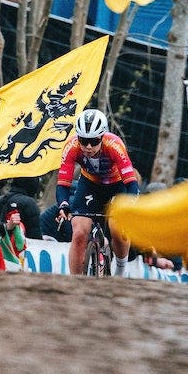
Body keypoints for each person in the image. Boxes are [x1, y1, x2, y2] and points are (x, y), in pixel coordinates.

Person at [56, 108, 139, 276]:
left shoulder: (114, 145)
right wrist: (63, 204)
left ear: (102, 137)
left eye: (94, 141)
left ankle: (120, 271)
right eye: (84, 140)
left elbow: (131, 182)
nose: (88, 146)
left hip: (117, 185)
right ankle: (75, 282)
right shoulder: (72, 147)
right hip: (90, 185)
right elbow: (63, 183)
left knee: (118, 227)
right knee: (79, 232)